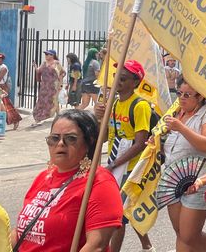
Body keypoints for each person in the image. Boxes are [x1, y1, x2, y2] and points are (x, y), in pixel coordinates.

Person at [12, 110, 122, 251]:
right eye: (54, 138)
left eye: (70, 138)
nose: (60, 144)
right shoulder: (42, 177)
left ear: (88, 142)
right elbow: (21, 232)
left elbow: (96, 246)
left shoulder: (99, 182)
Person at [94, 60, 155, 252]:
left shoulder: (140, 106)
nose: (118, 80)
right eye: (116, 76)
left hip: (131, 168)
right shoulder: (112, 104)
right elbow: (103, 138)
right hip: (115, 164)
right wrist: (99, 118)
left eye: (124, 77)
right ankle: (147, 245)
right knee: (125, 210)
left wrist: (114, 165)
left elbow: (140, 143)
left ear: (135, 82)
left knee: (117, 216)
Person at [161, 75, 206, 252]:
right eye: (179, 93)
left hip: (198, 182)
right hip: (172, 181)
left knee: (189, 235)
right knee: (181, 233)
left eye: (187, 95)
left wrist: (181, 128)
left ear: (201, 96)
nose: (181, 98)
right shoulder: (176, 113)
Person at [34, 49, 65, 124]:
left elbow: (62, 73)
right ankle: (39, 117)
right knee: (42, 101)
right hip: (44, 86)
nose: (46, 56)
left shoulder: (56, 63)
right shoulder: (44, 63)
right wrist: (35, 67)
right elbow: (39, 71)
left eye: (48, 54)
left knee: (53, 100)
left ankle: (56, 115)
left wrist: (60, 84)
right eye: (46, 54)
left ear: (52, 55)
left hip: (53, 86)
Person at [0, 52, 21, 130]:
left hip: (2, 88)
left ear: (2, 59)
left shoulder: (3, 68)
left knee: (6, 106)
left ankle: (15, 120)